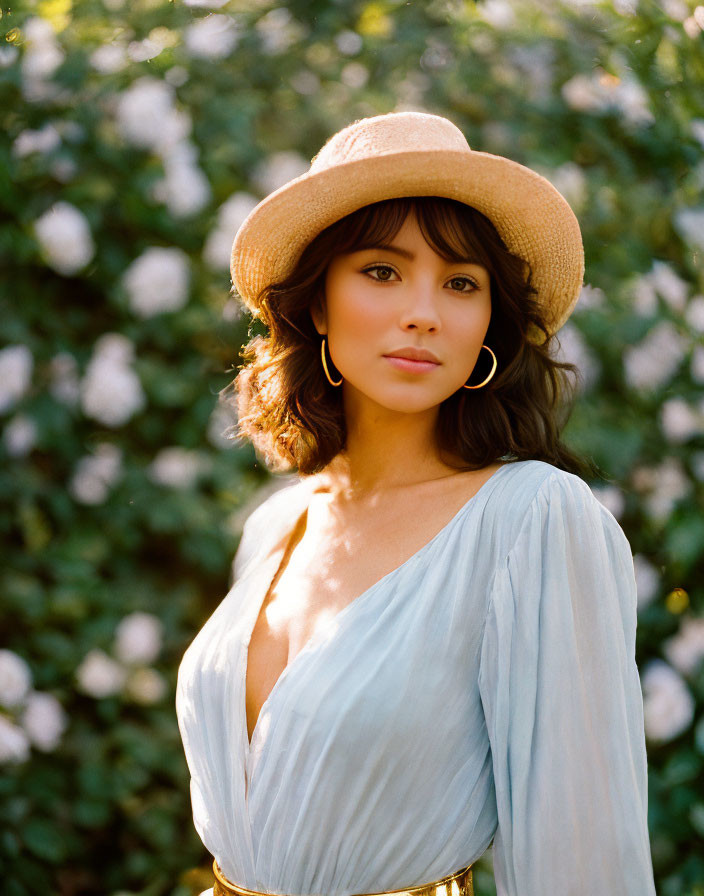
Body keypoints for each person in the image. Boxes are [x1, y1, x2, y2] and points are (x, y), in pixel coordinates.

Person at [176, 111, 657, 896]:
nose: (424, 312)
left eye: (461, 283)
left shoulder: (535, 522)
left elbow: (584, 855)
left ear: (487, 325)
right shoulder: (275, 526)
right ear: (318, 305)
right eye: (382, 270)